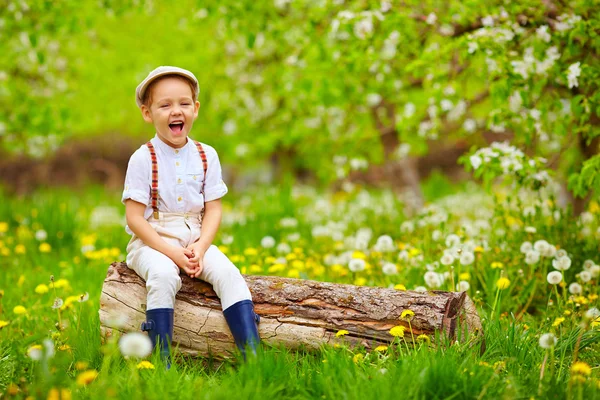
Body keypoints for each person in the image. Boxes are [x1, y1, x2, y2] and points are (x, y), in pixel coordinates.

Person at [121, 66, 260, 366]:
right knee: (162, 275)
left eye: (184, 103)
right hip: (152, 241)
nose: (176, 111)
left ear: (195, 109)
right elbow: (134, 218)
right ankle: (161, 360)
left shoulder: (206, 154)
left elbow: (214, 208)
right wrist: (172, 253)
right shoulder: (143, 158)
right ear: (148, 113)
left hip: (195, 237)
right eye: (165, 105)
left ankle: (254, 356)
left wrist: (201, 246)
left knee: (229, 275)